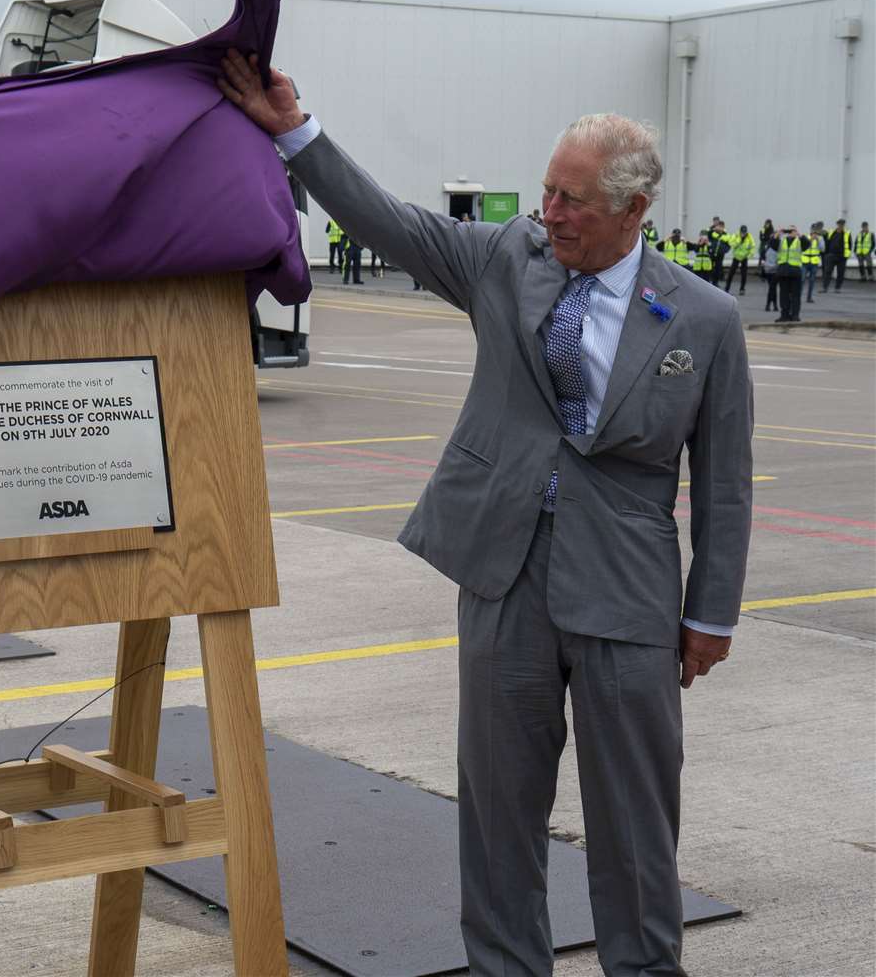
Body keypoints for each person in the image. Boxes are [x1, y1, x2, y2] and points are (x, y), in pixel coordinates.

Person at [220, 52, 750, 977]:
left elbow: (725, 481)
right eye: (547, 191)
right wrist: (294, 132)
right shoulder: (509, 258)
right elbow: (392, 223)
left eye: (572, 201)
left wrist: (709, 615)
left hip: (626, 591)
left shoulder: (702, 319)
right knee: (499, 808)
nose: (549, 214)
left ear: (632, 210)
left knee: (633, 819)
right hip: (503, 575)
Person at [776, 225, 804, 322]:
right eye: (789, 230)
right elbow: (772, 245)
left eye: (793, 230)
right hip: (783, 271)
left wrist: (799, 234)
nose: (791, 232)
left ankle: (795, 315)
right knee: (783, 295)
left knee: (796, 295)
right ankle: (784, 315)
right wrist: (778, 233)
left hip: (795, 272)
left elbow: (807, 244)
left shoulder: (799, 241)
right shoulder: (782, 241)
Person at [721, 223, 753, 295]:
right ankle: (727, 288)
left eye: (744, 232)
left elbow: (752, 246)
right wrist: (738, 242)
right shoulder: (736, 235)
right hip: (736, 257)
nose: (743, 234)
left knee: (744, 274)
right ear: (740, 231)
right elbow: (731, 243)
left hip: (744, 258)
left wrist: (750, 254)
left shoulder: (749, 237)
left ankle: (742, 289)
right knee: (731, 273)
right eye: (742, 232)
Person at [823, 218, 850, 292]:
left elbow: (850, 245)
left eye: (842, 224)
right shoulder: (831, 232)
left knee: (840, 273)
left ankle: (837, 288)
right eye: (840, 224)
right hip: (831, 255)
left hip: (842, 256)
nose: (841, 226)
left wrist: (847, 255)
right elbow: (827, 242)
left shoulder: (847, 233)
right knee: (828, 272)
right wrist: (826, 254)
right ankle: (825, 287)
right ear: (837, 224)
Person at [760, 219, 779, 312]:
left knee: (772, 288)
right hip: (768, 270)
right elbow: (762, 255)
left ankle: (769, 305)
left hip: (775, 270)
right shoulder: (767, 247)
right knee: (772, 288)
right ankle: (774, 305)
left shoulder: (778, 246)